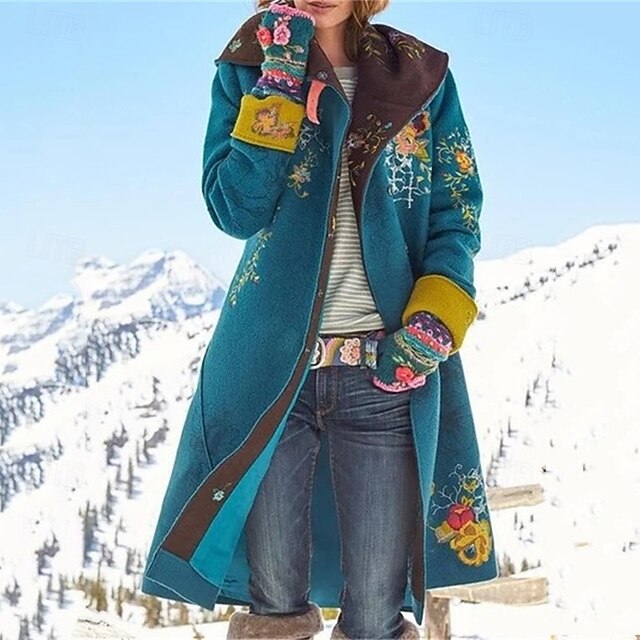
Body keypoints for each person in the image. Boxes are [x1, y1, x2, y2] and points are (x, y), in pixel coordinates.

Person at [141, 0, 500, 636]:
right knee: (274, 605)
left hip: (387, 375)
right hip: (272, 378)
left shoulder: (420, 76)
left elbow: (457, 215)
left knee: (377, 613)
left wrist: (436, 321)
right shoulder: (247, 68)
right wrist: (278, 84)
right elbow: (235, 209)